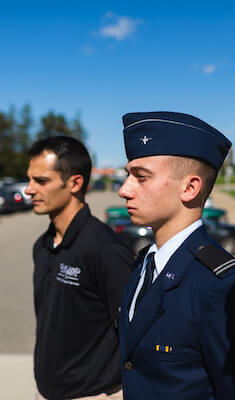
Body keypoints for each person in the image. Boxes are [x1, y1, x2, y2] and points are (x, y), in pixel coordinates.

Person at [118, 111, 235, 400]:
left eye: (140, 177)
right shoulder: (144, 263)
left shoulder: (224, 287)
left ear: (190, 188)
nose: (123, 190)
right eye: (127, 175)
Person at [25, 136, 133, 400]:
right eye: (29, 179)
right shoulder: (42, 246)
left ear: (75, 183)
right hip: (45, 391)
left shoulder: (105, 249)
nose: (28, 190)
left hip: (91, 394)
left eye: (40, 181)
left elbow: (136, 335)